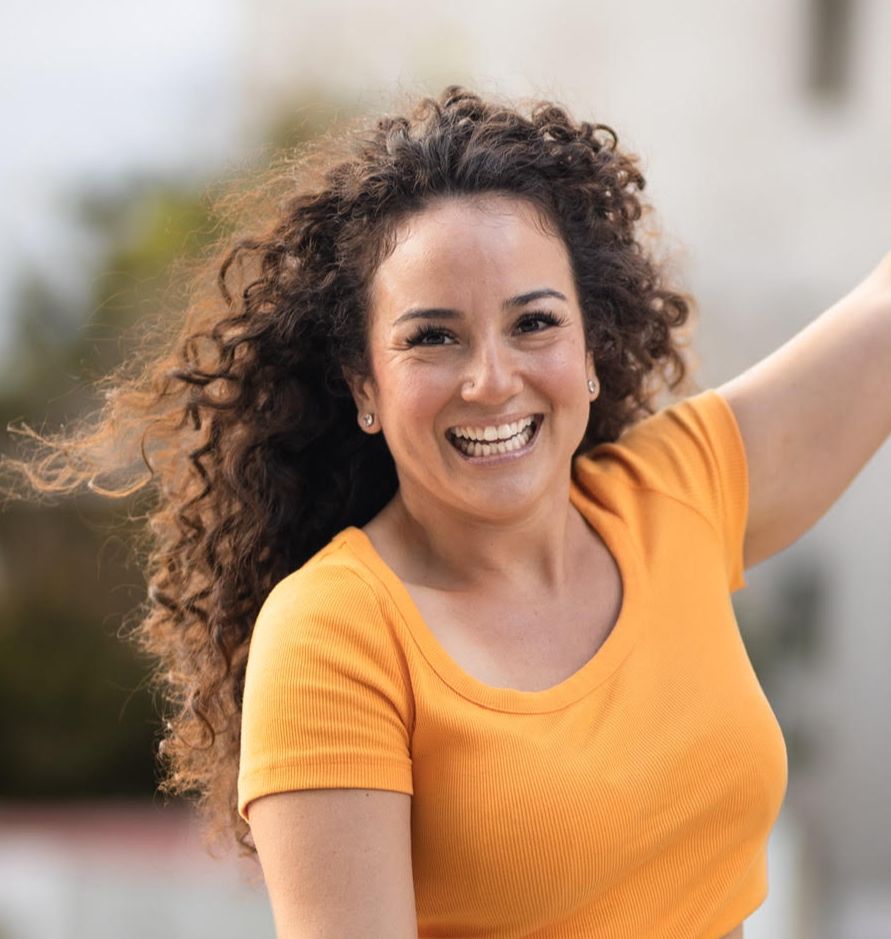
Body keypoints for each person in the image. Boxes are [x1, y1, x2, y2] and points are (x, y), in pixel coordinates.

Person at [6, 84, 890, 938]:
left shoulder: (673, 494)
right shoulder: (334, 634)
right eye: (432, 337)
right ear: (364, 385)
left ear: (591, 348)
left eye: (533, 323)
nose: (491, 380)